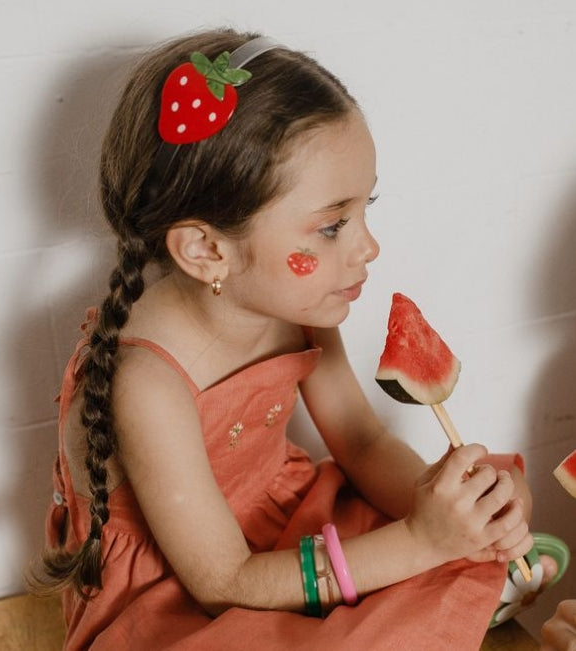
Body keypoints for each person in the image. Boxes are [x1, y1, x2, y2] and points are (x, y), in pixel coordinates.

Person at [32, 28, 536, 649]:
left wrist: (457, 514)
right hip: (188, 587)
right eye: (332, 226)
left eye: (364, 210)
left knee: (455, 541)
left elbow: (362, 439)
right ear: (207, 250)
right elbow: (222, 580)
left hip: (281, 525)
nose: (369, 246)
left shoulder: (302, 306)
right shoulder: (147, 381)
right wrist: (419, 543)